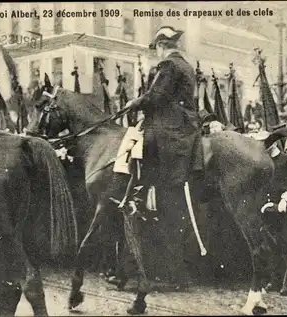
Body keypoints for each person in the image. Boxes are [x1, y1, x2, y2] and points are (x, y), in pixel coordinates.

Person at [125, 25, 202, 289]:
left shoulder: (167, 65)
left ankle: (137, 191)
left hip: (168, 132)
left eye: (156, 48)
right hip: (184, 126)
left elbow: (157, 97)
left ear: (160, 45)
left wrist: (134, 103)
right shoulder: (186, 65)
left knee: (135, 146)